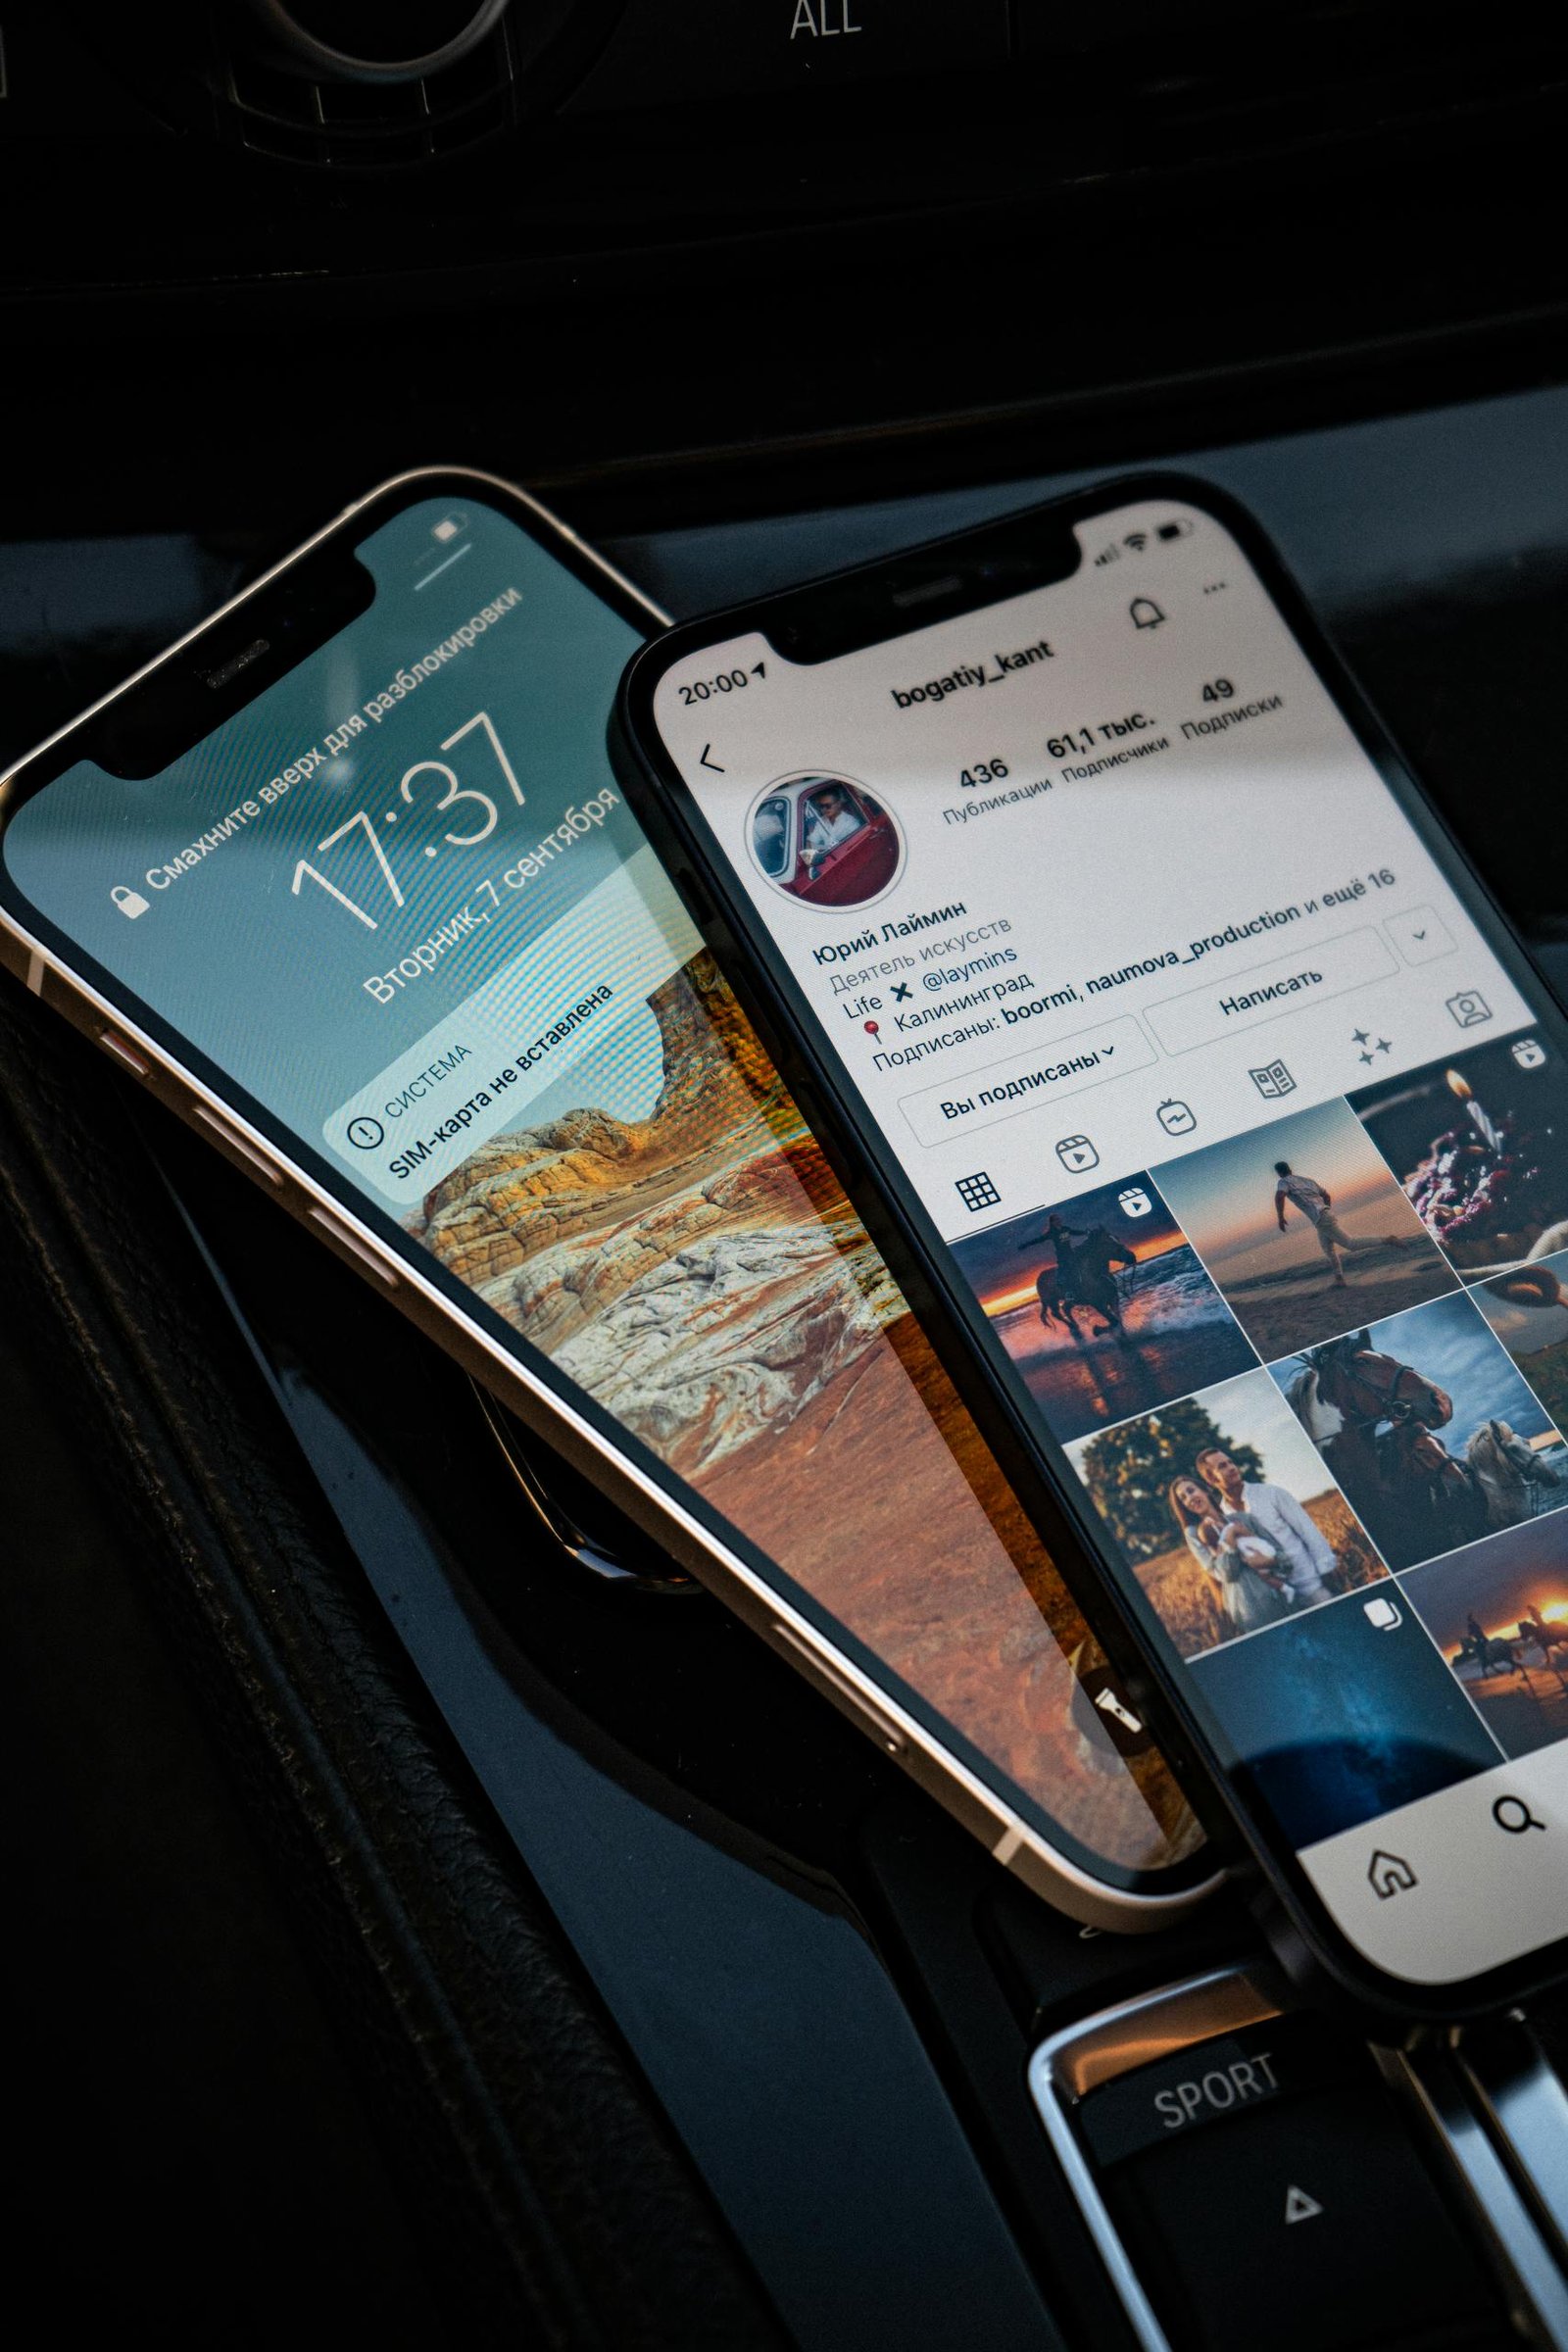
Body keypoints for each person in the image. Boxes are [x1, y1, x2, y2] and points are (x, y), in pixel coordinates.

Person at [1196, 1443, 1338, 1607]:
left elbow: (1308, 1531)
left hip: (1311, 1587)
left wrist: (1327, 1570)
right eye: (1222, 1466)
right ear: (1211, 1479)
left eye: (1230, 1462)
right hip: (1279, 1602)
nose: (1232, 1468)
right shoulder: (1223, 1517)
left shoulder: (1271, 1494)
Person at [1168, 1475, 1292, 1635]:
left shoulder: (1243, 1518)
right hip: (1253, 1609)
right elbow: (1225, 1573)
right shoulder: (1195, 1534)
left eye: (1191, 1491)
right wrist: (1230, 1539)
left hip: (1286, 1599)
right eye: (1183, 1498)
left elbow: (1284, 1558)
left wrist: (1269, 1560)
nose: (1190, 1498)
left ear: (1206, 1490)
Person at [1273, 1159, 1412, 1288]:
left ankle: (1388, 1240)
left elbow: (1280, 1196)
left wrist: (1280, 1217)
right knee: (1328, 1249)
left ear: (1279, 1173)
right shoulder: (1307, 1181)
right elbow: (1326, 1195)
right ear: (1290, 1169)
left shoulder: (1284, 1182)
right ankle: (1339, 1280)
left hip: (1322, 1219)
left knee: (1350, 1244)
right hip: (1323, 1217)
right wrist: (1325, 1209)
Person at [802, 785, 864, 870]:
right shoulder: (821, 822)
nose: (824, 809)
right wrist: (810, 861)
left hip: (847, 860)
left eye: (828, 805)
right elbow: (811, 841)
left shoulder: (851, 822)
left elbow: (855, 848)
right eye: (821, 806)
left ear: (838, 804)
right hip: (829, 862)